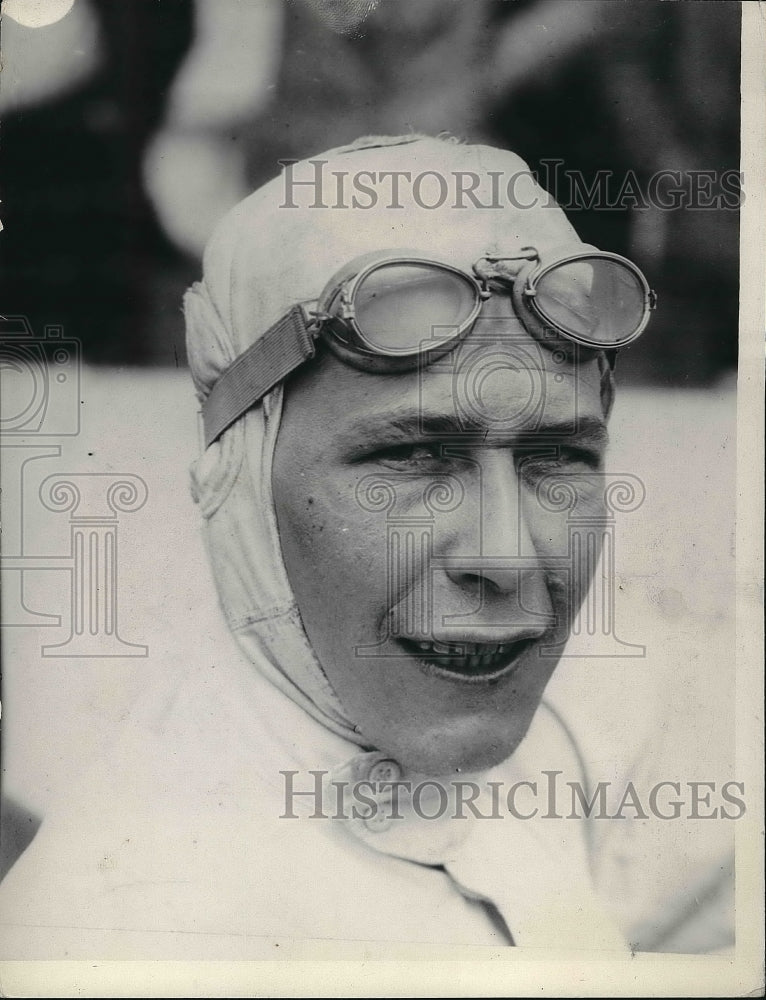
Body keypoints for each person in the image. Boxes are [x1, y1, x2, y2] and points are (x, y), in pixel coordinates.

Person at [0, 134, 674, 958]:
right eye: (414, 456)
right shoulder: (139, 927)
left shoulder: (533, 763)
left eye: (558, 457)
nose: (509, 559)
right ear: (240, 489)